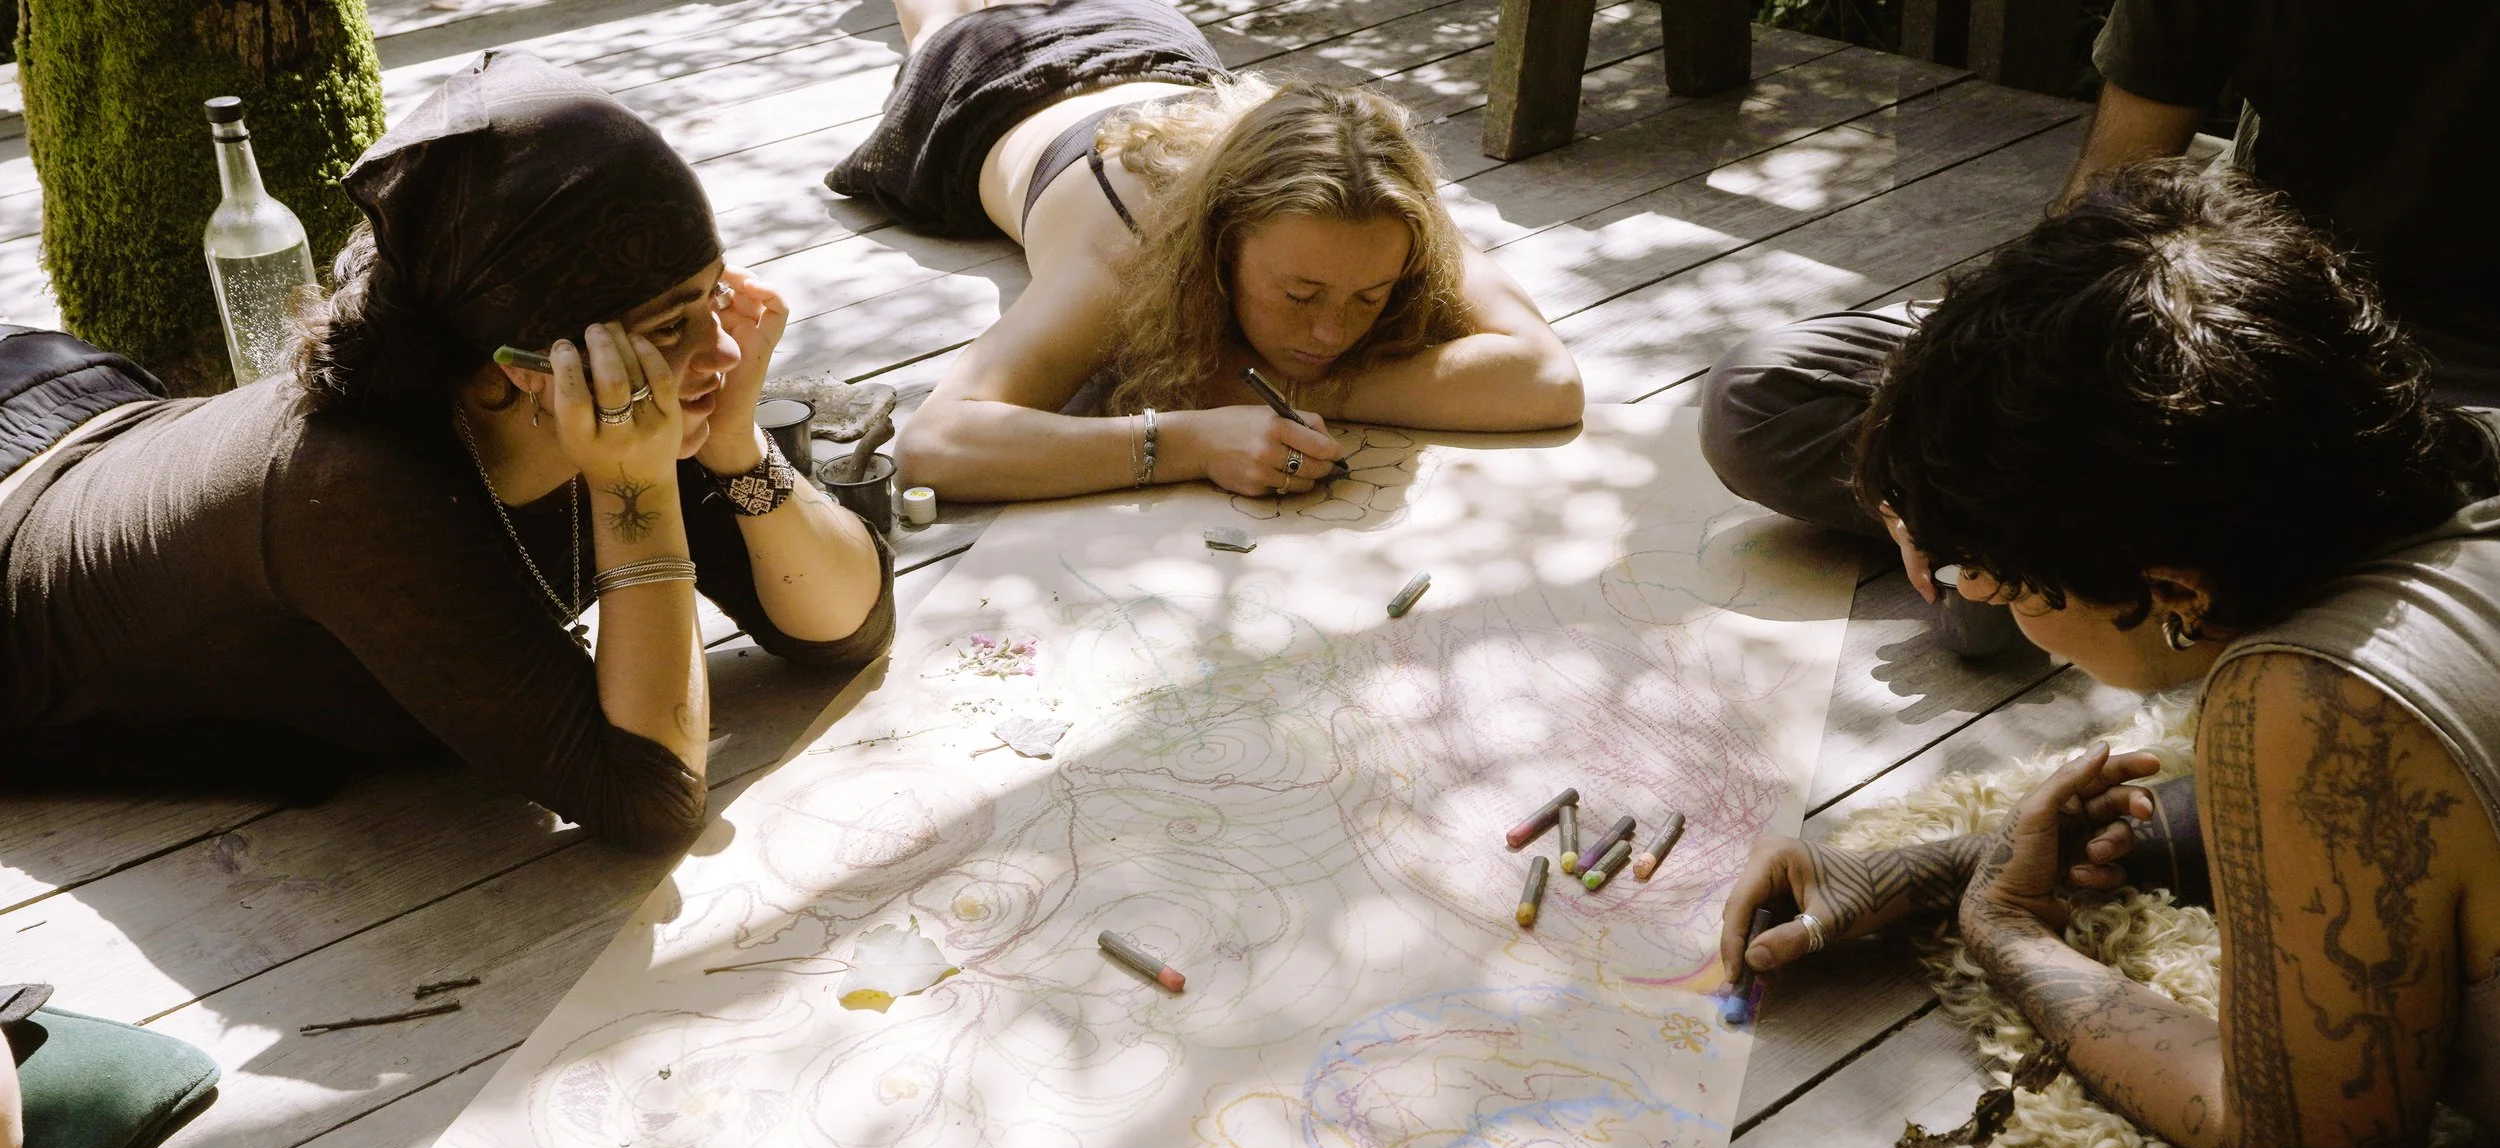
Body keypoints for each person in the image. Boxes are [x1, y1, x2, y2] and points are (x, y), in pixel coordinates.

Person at [1718, 162, 2500, 1148]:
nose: (1974, 600)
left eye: (1987, 583)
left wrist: (2008, 933)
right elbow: (2384, 852)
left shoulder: (2316, 710)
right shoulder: (2464, 451)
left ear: (2173, 589)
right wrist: (1946, 861)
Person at [0, 53, 893, 852]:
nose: (726, 352)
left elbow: (843, 625)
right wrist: (640, 488)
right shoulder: (352, 491)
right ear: (513, 371)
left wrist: (734, 448)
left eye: (712, 298)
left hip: (96, 406)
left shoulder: (623, 391)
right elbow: (651, 798)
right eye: (670, 323)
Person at [1697, 0, 2500, 602]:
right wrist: (1937, 423)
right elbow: (2107, 198)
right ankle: (2138, 557)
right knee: (1761, 398)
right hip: (2228, 326)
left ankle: (2078, 554)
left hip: (2452, 397)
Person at [829, 0, 1584, 502]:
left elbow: (1546, 378)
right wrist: (1188, 441)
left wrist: (1285, 381)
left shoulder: (1363, 193)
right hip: (990, 79)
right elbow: (937, 442)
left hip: (1153, 43)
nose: (1331, 332)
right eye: (1300, 294)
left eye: (1369, 297)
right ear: (1221, 243)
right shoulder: (1131, 253)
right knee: (944, 15)